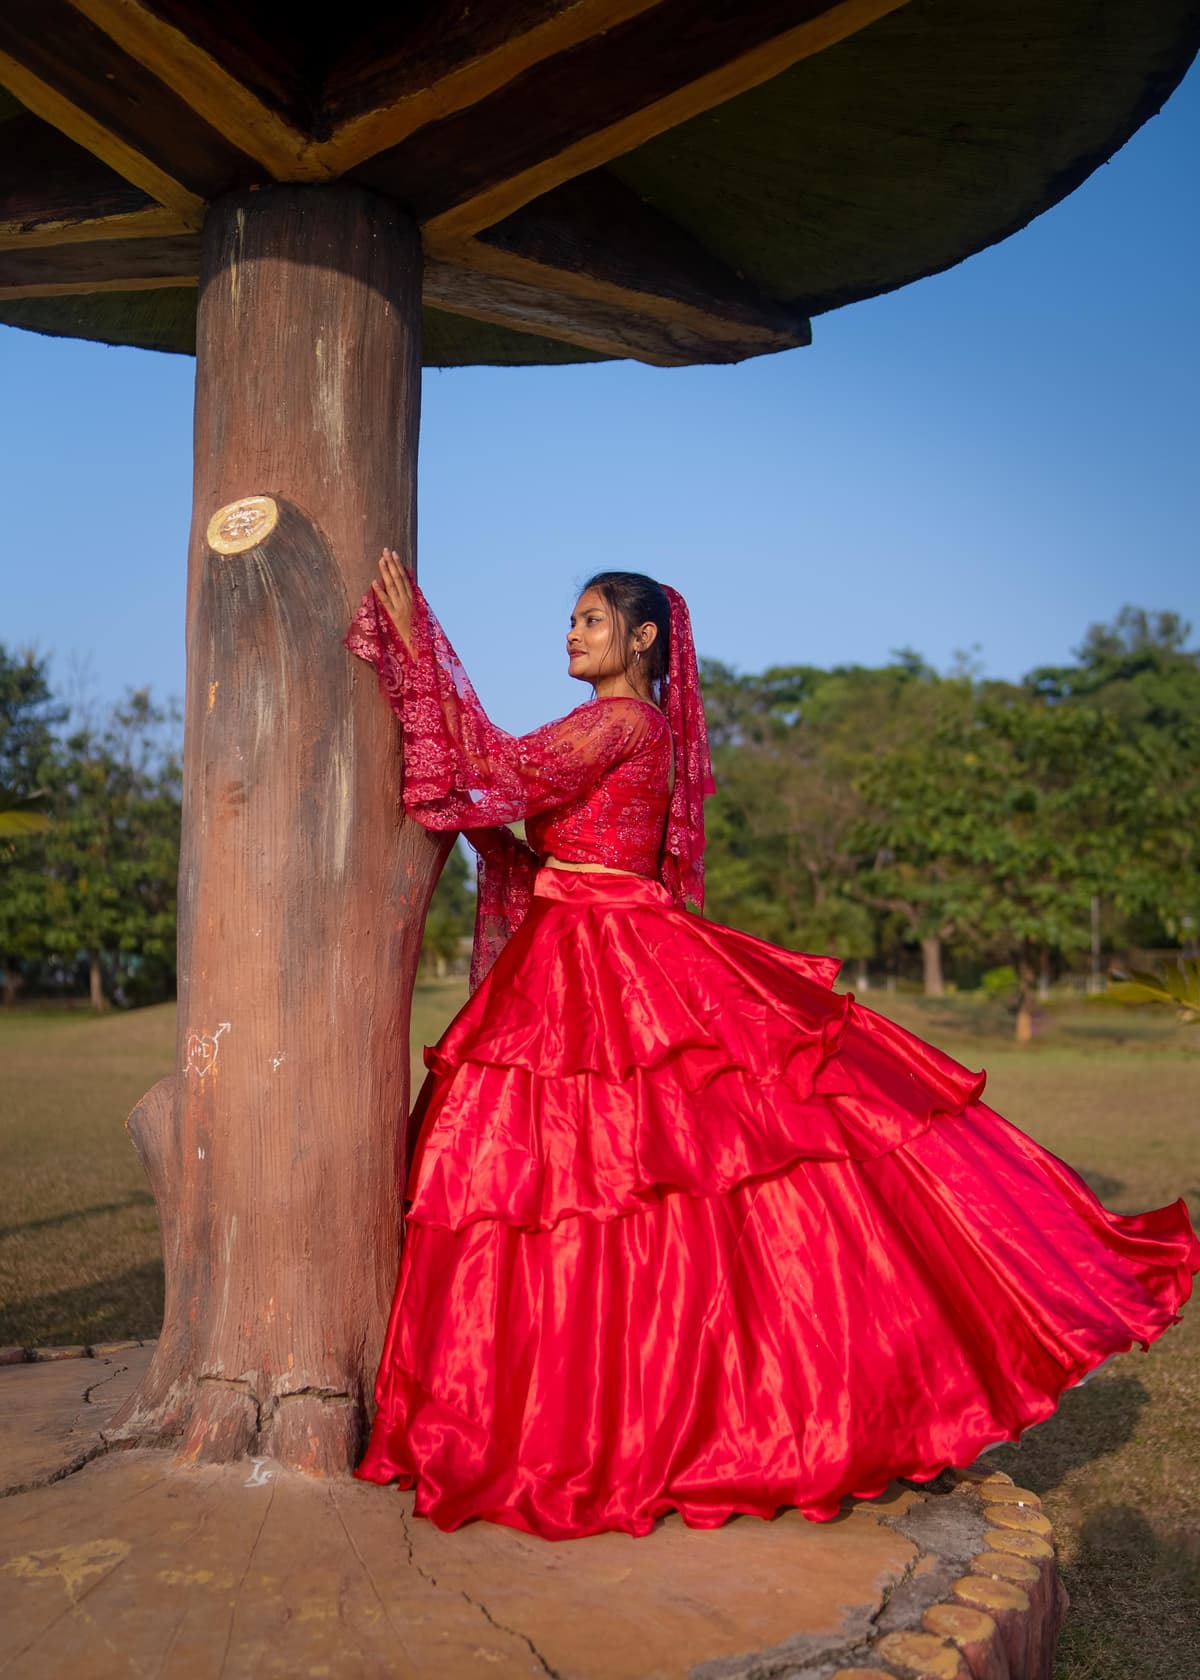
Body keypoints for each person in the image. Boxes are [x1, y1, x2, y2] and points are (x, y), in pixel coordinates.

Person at [344, 552, 1198, 1542]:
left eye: (591, 618)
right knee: (607, 1186)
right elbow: (518, 808)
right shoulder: (624, 727)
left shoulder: (621, 722)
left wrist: (416, 648)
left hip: (608, 954)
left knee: (611, 1182)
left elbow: (495, 769)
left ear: (643, 638)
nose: (571, 633)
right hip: (581, 948)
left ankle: (627, 1420)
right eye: (571, 619)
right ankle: (616, 1407)